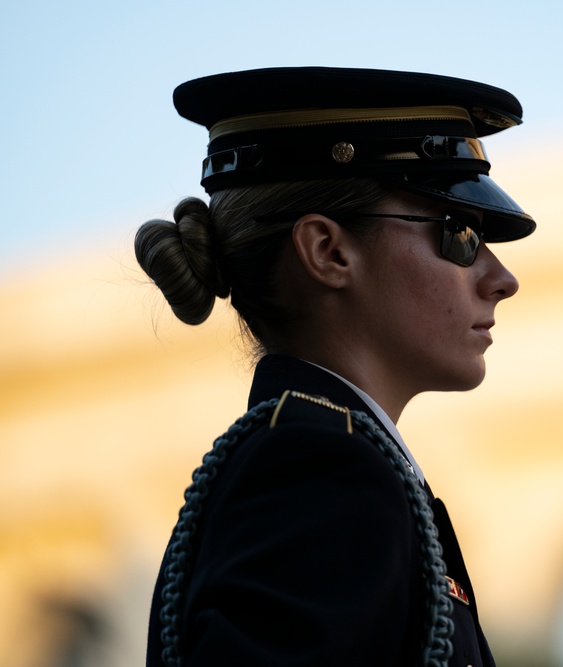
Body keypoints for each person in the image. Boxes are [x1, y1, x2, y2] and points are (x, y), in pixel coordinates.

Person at [134, 67, 534, 667]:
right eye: (461, 234)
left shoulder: (328, 458)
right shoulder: (321, 468)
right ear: (328, 251)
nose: (502, 279)